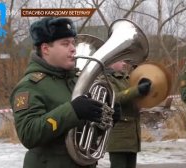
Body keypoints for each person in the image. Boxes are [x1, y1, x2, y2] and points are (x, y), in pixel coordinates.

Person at [9, 17, 118, 168]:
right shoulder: (30, 86)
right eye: (65, 44)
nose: (73, 48)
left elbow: (85, 135)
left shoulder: (78, 82)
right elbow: (29, 134)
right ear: (46, 49)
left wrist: (104, 117)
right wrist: (72, 111)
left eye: (73, 43)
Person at [105, 60, 151, 168]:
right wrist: (137, 90)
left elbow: (134, 96)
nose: (124, 63)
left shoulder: (128, 78)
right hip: (119, 136)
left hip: (132, 136)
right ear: (112, 61)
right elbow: (114, 98)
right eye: (121, 60)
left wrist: (144, 87)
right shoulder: (106, 78)